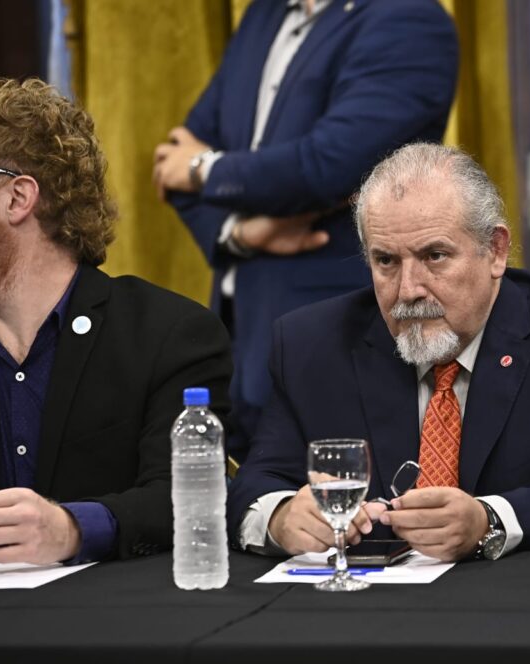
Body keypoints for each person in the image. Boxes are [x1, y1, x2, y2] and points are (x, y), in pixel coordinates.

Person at [226, 143, 530, 561]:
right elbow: (256, 481)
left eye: (435, 255)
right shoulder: (311, 344)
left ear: (495, 251)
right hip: (365, 613)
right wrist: (281, 517)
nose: (409, 290)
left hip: (525, 612)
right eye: (386, 261)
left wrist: (488, 520)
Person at [0, 78, 232, 566]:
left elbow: (191, 498)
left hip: (113, 626)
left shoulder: (170, 335)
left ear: (16, 198)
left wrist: (72, 528)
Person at [151, 0, 458, 460]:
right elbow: (174, 158)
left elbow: (329, 165)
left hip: (338, 337)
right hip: (240, 332)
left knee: (343, 516)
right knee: (254, 512)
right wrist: (241, 231)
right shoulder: (265, 14)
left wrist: (203, 169)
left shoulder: (407, 18)